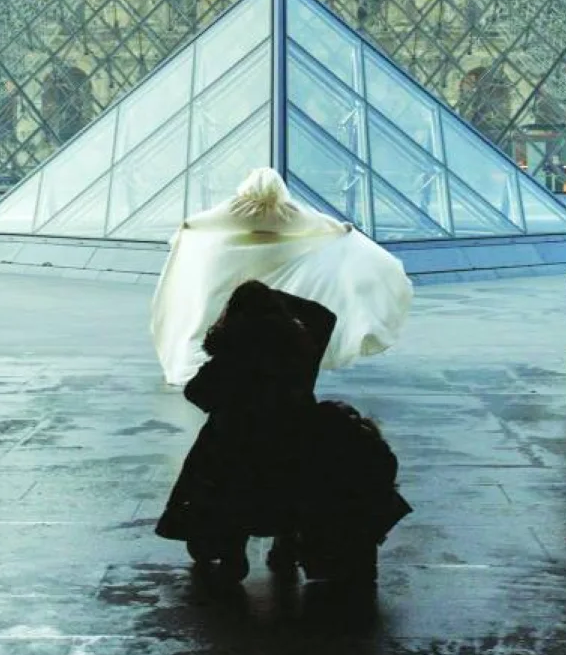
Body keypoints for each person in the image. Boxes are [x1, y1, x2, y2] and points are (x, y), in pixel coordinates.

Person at [155, 279, 411, 584]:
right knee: (293, 485)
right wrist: (273, 299)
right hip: (294, 444)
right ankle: (286, 545)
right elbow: (323, 315)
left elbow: (196, 394)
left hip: (235, 450)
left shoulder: (231, 357)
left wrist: (246, 302)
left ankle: (231, 552)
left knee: (212, 472)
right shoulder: (299, 353)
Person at [150, 167, 413, 388]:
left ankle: (220, 354)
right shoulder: (286, 211)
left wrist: (187, 229)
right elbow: (317, 222)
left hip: (232, 264)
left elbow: (205, 221)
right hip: (278, 263)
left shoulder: (236, 208)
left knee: (211, 310)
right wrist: (341, 229)